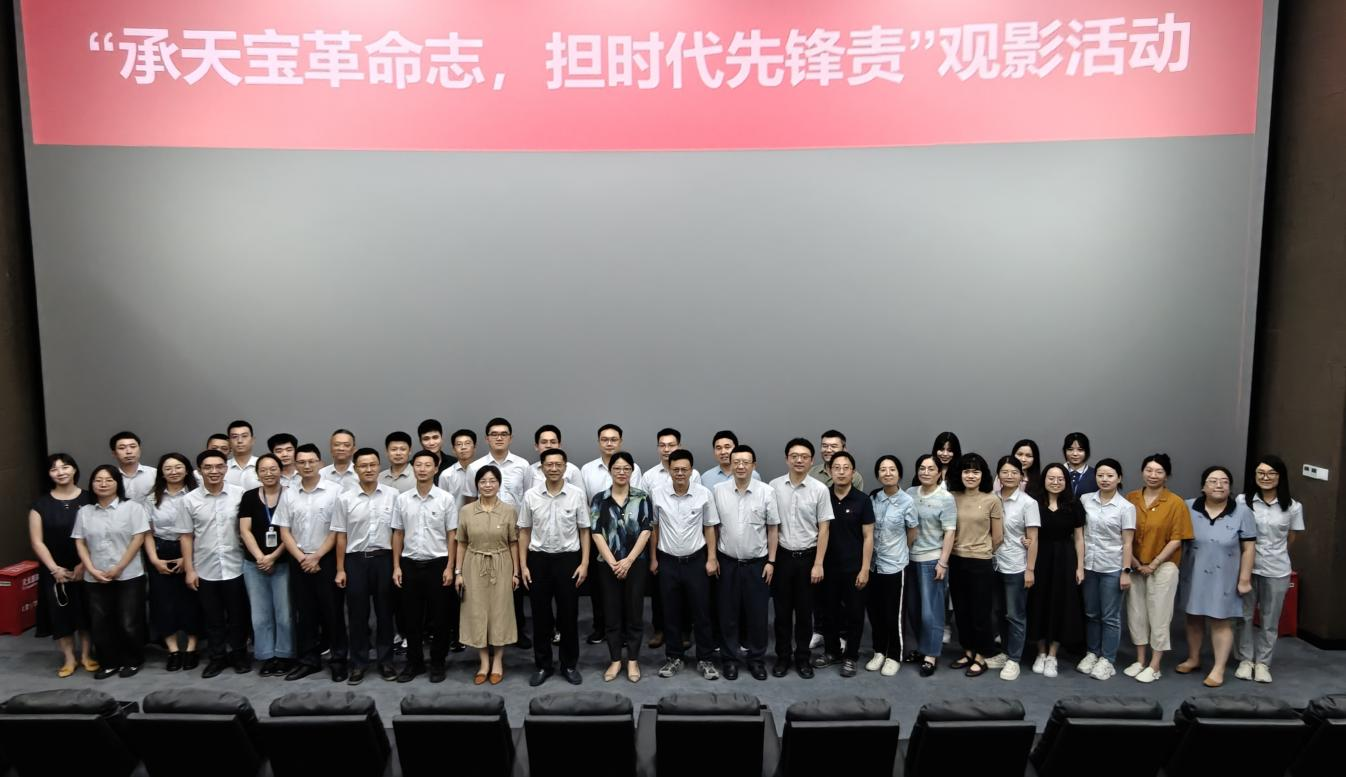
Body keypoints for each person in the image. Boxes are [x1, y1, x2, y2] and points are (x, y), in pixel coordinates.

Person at [1176, 466, 1257, 688]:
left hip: (1225, 575)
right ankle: (1193, 658)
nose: (1219, 485)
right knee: (1193, 617)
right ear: (1203, 486)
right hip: (1193, 571)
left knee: (1221, 620)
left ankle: (1218, 668)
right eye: (1213, 481)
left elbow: (1249, 548)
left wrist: (1244, 579)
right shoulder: (1188, 507)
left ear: (1230, 487)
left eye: (1224, 481)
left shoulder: (1242, 512)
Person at [274, 443, 348, 681]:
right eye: (302, 462)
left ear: (319, 463)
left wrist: (316, 556)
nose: (306, 466)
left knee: (333, 612)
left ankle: (338, 660)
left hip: (326, 560)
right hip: (299, 560)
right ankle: (308, 660)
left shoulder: (335, 491)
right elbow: (284, 530)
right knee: (304, 613)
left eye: (311, 461)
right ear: (295, 465)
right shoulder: (289, 493)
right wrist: (301, 557)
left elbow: (338, 529)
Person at [519, 448, 590, 686]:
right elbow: (524, 531)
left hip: (568, 560)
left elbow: (584, 530)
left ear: (565, 467)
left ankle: (569, 664)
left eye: (558, 464)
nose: (554, 468)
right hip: (538, 560)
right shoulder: (530, 495)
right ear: (542, 468)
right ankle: (543, 665)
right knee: (540, 616)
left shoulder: (576, 494)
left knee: (568, 615)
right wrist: (523, 565)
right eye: (549, 464)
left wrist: (584, 563)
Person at [72, 465, 150, 679]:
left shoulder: (132, 508)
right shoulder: (85, 512)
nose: (103, 484)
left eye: (109, 480)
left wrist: (119, 567)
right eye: (98, 480)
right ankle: (108, 662)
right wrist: (91, 569)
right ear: (92, 484)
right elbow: (80, 542)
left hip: (129, 574)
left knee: (128, 621)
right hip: (95, 576)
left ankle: (133, 660)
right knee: (101, 622)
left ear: (118, 483)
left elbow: (138, 539)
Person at [710, 444, 779, 681]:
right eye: (736, 462)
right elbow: (714, 527)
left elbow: (773, 529)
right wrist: (713, 557)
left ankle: (756, 660)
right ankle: (729, 660)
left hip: (757, 564)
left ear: (753, 465)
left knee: (757, 615)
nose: (740, 466)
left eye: (745, 462)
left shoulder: (766, 491)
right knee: (727, 614)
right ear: (730, 464)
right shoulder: (718, 490)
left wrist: (771, 561)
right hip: (727, 562)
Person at [180, 450, 251, 677]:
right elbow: (186, 536)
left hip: (236, 565)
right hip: (205, 567)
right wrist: (189, 570)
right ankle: (217, 657)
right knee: (213, 617)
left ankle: (239, 654)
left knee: (239, 615)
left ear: (226, 468)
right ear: (199, 471)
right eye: (208, 467)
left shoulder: (240, 495)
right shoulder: (189, 500)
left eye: (219, 466)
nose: (214, 471)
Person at [650, 449, 720, 680]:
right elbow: (654, 528)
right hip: (667, 561)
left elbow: (709, 527)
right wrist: (653, 558)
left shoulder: (703, 494)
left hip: (696, 561)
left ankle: (705, 659)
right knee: (670, 612)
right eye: (675, 469)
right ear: (669, 470)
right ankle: (674, 657)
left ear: (691, 471)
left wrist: (711, 558)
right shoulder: (657, 494)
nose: (680, 473)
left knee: (702, 612)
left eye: (684, 469)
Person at [1122, 453, 1193, 683]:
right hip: (1134, 565)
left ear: (1167, 475)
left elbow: (1177, 539)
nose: (1153, 475)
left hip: (1163, 566)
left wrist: (1154, 564)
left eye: (1159, 471)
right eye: (1149, 470)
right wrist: (1135, 562)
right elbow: (1123, 533)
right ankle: (1140, 660)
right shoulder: (1131, 498)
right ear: (1142, 472)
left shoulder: (1175, 503)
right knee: (1136, 613)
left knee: (1159, 615)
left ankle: (1155, 665)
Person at [1234, 454, 1304, 683]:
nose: (1265, 477)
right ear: (1254, 476)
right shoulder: (1243, 501)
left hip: (1277, 569)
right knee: (1243, 616)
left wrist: (1276, 552)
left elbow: (1291, 537)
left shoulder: (1293, 507)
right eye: (1261, 473)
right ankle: (1245, 660)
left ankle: (1263, 663)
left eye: (1271, 473)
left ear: (1280, 477)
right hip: (1246, 568)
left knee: (1270, 620)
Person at [333, 448, 400, 684]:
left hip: (384, 559)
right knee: (357, 615)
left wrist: (396, 565)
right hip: (355, 561)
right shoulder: (345, 498)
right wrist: (340, 569)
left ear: (379, 466)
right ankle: (359, 663)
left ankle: (386, 661)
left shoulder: (393, 495)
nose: (369, 469)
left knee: (385, 613)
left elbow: (397, 533)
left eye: (373, 465)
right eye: (363, 465)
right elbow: (341, 535)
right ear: (356, 469)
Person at [466, 418, 534, 649]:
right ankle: (486, 632)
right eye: (494, 434)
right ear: (487, 438)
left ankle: (517, 630)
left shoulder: (522, 465)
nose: (499, 438)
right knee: (485, 586)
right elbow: (470, 500)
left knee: (514, 584)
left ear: (510, 438)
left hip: (515, 532)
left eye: (504, 434)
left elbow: (527, 497)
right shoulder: (475, 467)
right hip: (485, 533)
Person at [392, 450, 459, 683]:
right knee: (411, 618)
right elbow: (398, 533)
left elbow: (452, 535)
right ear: (413, 469)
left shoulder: (445, 499)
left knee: (440, 618)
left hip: (438, 564)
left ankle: (438, 663)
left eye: (427, 465)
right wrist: (396, 566)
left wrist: (450, 567)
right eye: (418, 465)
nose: (422, 469)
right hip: (409, 564)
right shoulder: (402, 499)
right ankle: (414, 663)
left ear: (436, 469)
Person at [769, 438, 833, 679]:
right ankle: (783, 657)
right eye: (794, 456)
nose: (799, 460)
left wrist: (818, 563)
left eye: (804, 456)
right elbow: (770, 526)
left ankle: (803, 658)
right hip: (782, 557)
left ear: (811, 460)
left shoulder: (820, 489)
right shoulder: (773, 486)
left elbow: (824, 528)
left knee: (805, 613)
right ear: (787, 459)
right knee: (782, 613)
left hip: (808, 558)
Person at [28, 453, 97, 677]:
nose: (60, 472)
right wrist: (54, 569)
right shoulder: (40, 505)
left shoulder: (90, 498)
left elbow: (97, 535)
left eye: (65, 467)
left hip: (87, 564)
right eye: (54, 469)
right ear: (49, 474)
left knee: (86, 612)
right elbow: (37, 542)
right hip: (54, 568)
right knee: (60, 614)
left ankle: (86, 655)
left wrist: (83, 564)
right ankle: (69, 658)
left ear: (74, 469)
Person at [589, 451, 653, 683]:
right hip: (608, 565)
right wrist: (614, 562)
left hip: (635, 564)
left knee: (635, 613)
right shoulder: (599, 499)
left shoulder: (642, 497)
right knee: (612, 613)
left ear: (632, 471)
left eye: (626, 468)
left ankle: (633, 660)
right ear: (610, 471)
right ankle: (615, 660)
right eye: (617, 468)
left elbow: (646, 530)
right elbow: (596, 532)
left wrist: (628, 561)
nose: (622, 472)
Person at [454, 466, 521, 684]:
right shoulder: (466, 511)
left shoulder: (509, 510)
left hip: (502, 564)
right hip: (473, 565)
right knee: (477, 612)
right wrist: (458, 572)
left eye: (492, 481)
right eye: (483, 481)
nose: (488, 485)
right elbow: (461, 543)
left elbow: (513, 543)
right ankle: (483, 662)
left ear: (499, 484)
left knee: (500, 612)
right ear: (477, 485)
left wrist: (516, 572)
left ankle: (498, 660)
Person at [811, 451, 873, 678]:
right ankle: (832, 652)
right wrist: (818, 564)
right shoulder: (823, 496)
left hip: (854, 568)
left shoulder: (862, 500)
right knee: (829, 612)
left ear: (853, 472)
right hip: (828, 567)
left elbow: (868, 536)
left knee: (854, 614)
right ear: (830, 471)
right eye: (836, 467)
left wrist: (865, 569)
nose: (841, 472)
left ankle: (851, 657)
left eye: (846, 468)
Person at [580, 424, 643, 645]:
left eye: (614, 439)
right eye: (604, 439)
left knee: (627, 592)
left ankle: (624, 632)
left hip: (628, 540)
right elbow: (585, 503)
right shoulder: (587, 469)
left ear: (620, 441)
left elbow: (637, 502)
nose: (609, 443)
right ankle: (600, 628)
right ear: (599, 442)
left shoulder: (634, 468)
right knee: (600, 589)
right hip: (600, 538)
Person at [1077, 458, 1136, 681]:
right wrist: (1080, 565)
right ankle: (1092, 653)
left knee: (1110, 616)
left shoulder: (1126, 507)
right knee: (1091, 613)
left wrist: (1125, 571)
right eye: (1100, 475)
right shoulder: (1085, 500)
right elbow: (1079, 534)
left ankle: (1107, 659)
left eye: (1110, 476)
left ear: (1119, 478)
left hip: (1112, 566)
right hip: (1089, 565)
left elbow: (1128, 542)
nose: (1104, 479)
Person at [238, 453, 295, 677]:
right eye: (263, 470)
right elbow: (245, 530)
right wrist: (261, 557)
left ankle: (284, 655)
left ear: (281, 470)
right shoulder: (249, 497)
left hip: (284, 562)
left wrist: (273, 557)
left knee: (284, 614)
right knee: (260, 615)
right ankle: (266, 656)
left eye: (273, 469)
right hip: (254, 564)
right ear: (257, 473)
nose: (268, 473)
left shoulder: (291, 495)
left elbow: (292, 532)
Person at [143, 453, 202, 672]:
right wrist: (154, 560)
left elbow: (200, 529)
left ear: (187, 470)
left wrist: (186, 558)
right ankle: (173, 650)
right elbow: (146, 532)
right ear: (161, 472)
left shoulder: (197, 495)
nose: (174, 472)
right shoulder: (152, 498)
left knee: (192, 601)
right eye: (168, 468)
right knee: (163, 602)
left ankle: (192, 648)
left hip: (192, 549)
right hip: (160, 551)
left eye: (178, 467)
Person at [1026, 463, 1086, 678]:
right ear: (1044, 480)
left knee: (1061, 605)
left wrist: (1080, 566)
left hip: (1065, 559)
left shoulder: (1074, 504)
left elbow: (1079, 538)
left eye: (1060, 478)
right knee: (1038, 603)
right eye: (1051, 478)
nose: (1055, 482)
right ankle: (1040, 652)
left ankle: (1053, 655)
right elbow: (1027, 532)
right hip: (1039, 557)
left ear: (1066, 481)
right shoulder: (1033, 503)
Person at [947, 453, 1003, 677]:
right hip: (956, 559)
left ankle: (982, 655)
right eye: (967, 471)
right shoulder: (952, 497)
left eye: (976, 471)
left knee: (980, 612)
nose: (971, 475)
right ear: (960, 474)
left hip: (981, 562)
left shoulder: (992, 500)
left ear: (983, 475)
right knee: (961, 610)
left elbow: (998, 537)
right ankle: (968, 651)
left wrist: (982, 551)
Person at [986, 456, 1039, 680]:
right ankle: (1005, 653)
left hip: (1016, 566)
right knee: (998, 612)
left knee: (1015, 614)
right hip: (993, 563)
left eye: (1014, 472)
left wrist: (1030, 569)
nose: (1009, 476)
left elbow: (1033, 539)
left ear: (1021, 476)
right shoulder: (991, 498)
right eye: (1005, 472)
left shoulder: (1028, 503)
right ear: (998, 475)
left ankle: (1014, 659)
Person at [906, 454, 956, 677]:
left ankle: (931, 655)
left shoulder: (945, 498)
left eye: (930, 468)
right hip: (910, 559)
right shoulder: (910, 493)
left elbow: (950, 532)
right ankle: (921, 648)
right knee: (914, 610)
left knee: (931, 613)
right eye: (922, 468)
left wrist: (943, 562)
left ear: (939, 473)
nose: (925, 472)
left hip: (932, 560)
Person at [644, 428, 703, 493]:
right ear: (658, 447)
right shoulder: (648, 476)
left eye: (671, 445)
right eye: (662, 445)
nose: (666, 449)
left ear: (679, 446)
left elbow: (698, 496)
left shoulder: (694, 474)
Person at [110, 431, 155, 502]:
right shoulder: (109, 478)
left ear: (140, 450)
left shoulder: (155, 474)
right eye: (122, 448)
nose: (129, 452)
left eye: (133, 447)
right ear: (114, 453)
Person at [437, 428, 478, 504]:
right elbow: (442, 502)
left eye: (467, 443)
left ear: (474, 447)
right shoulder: (446, 475)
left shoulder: (484, 471)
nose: (463, 447)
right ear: (453, 449)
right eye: (459, 444)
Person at [225, 420, 261, 490]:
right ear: (229, 442)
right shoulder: (222, 467)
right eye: (235, 437)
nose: (240, 441)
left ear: (253, 440)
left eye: (244, 436)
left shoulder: (263, 465)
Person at [1063, 432, 1099, 497]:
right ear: (1065, 451)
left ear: (1086, 452)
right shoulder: (1057, 472)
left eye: (1080, 450)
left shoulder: (1096, 474)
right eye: (1070, 449)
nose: (1075, 454)